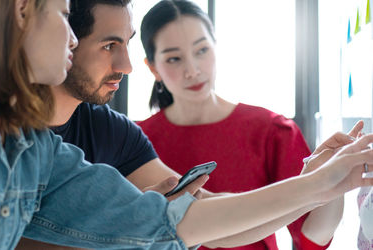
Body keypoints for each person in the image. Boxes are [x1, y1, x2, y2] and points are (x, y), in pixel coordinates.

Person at [0, 0, 372, 249]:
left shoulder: (38, 150)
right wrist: (314, 185)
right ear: (24, 9)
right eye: (64, 17)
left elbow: (172, 224)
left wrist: (322, 182)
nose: (69, 37)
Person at [136, 0, 343, 249]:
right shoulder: (135, 141)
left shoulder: (271, 130)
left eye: (201, 50)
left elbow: (311, 239)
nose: (192, 70)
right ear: (152, 68)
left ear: (215, 46)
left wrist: (335, 178)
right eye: (174, 59)